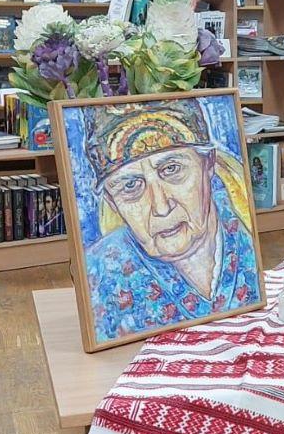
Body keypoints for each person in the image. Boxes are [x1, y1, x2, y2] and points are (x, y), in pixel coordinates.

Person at [79, 98, 261, 342]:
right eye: (130, 185)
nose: (161, 207)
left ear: (208, 164)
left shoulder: (247, 233)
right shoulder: (98, 275)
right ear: (112, 202)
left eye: (172, 169)